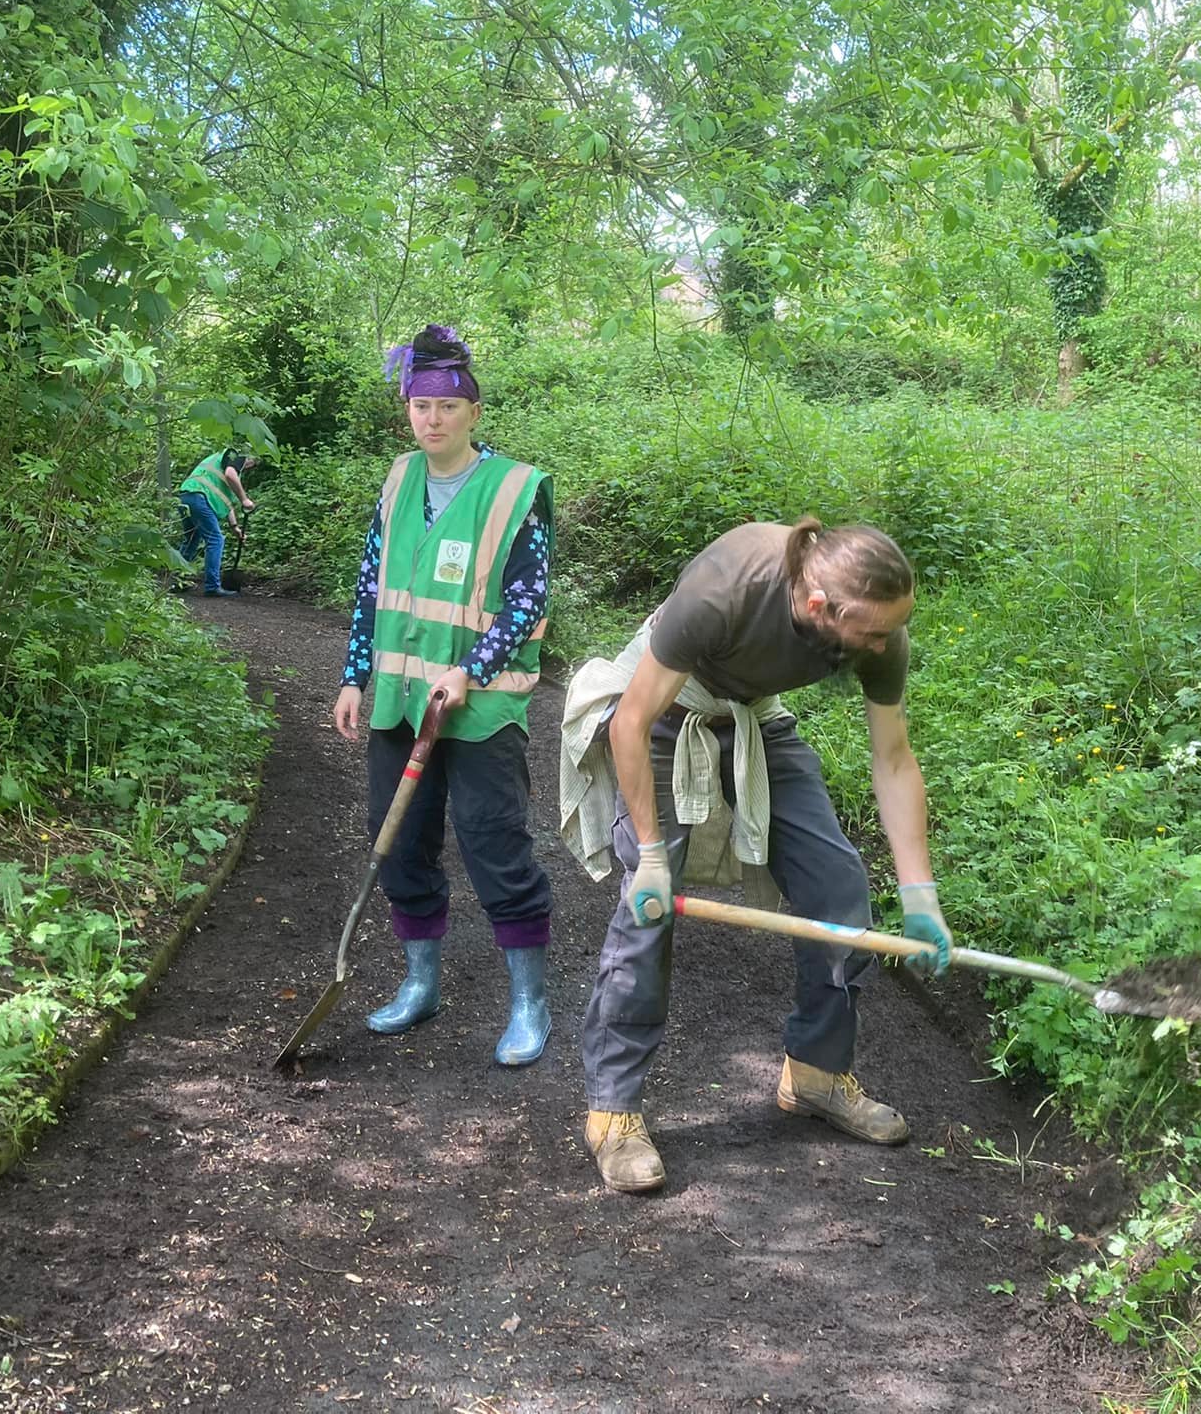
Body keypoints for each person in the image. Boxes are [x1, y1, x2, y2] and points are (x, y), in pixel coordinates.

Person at [560, 516, 951, 1192]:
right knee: (649, 909)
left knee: (838, 886)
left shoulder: (879, 627)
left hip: (753, 717)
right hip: (662, 713)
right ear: (819, 606)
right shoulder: (726, 587)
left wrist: (920, 894)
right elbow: (630, 722)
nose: (885, 644)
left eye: (893, 629)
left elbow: (893, 759)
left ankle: (817, 1072)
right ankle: (613, 1111)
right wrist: (650, 855)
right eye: (872, 633)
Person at [332, 325, 558, 1066]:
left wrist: (471, 669)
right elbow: (371, 586)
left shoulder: (514, 490)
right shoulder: (399, 479)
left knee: (494, 843)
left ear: (473, 412)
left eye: (448, 406)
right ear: (407, 410)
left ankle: (528, 1001)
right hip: (401, 699)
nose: (432, 418)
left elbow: (527, 600)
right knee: (397, 840)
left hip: (481, 707)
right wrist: (354, 675)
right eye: (420, 405)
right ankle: (420, 983)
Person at [177, 447, 257, 596]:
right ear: (249, 458)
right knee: (215, 540)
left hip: (186, 496)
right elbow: (230, 474)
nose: (248, 466)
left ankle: (177, 581)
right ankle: (212, 587)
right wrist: (244, 499)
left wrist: (235, 527)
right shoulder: (234, 455)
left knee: (191, 540)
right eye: (251, 463)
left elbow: (227, 504)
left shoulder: (220, 464)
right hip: (200, 497)